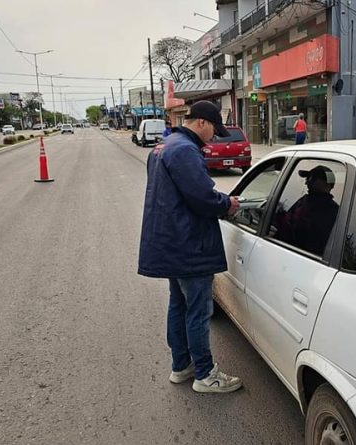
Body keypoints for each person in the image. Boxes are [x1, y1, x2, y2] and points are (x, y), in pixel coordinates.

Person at [138, 100, 243, 394]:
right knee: (198, 310)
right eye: (213, 130)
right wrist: (228, 204)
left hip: (172, 243)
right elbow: (202, 199)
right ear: (201, 123)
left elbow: (180, 193)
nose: (213, 137)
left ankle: (181, 366)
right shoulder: (185, 150)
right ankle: (205, 374)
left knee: (179, 305)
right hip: (189, 244)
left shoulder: (164, 146)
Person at [272, 165, 339, 256]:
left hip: (292, 253)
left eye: (310, 178)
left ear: (324, 184)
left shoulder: (307, 205)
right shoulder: (337, 210)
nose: (306, 183)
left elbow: (290, 226)